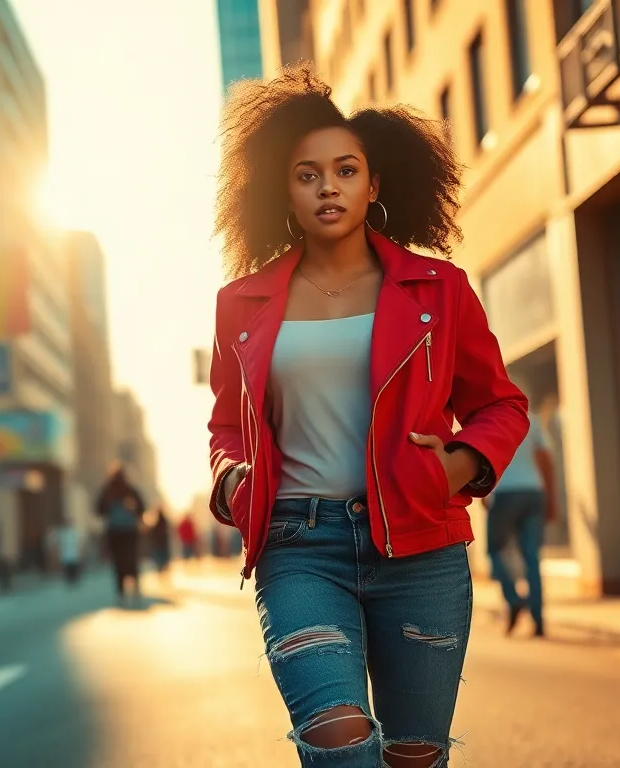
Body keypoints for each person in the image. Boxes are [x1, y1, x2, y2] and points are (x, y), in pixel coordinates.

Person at [207, 64, 529, 767]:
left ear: (374, 185)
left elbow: (499, 402)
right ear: (283, 193)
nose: (328, 187)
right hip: (298, 544)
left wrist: (463, 464)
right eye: (307, 174)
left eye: (346, 170)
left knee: (415, 755)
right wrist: (233, 481)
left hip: (420, 546)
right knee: (337, 737)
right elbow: (226, 423)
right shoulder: (242, 303)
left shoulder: (439, 289)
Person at [486, 392, 559, 638]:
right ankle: (538, 620)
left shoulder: (489, 419)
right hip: (533, 493)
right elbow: (546, 460)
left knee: (495, 550)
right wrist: (551, 499)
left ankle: (514, 599)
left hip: (505, 494)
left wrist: (486, 496)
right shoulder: (531, 420)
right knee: (532, 558)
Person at [95, 464, 145, 604]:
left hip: (115, 531)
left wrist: (110, 508)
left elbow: (98, 510)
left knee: (118, 562)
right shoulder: (130, 490)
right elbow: (142, 508)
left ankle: (121, 593)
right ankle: (134, 589)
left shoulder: (107, 490)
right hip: (129, 531)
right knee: (131, 560)